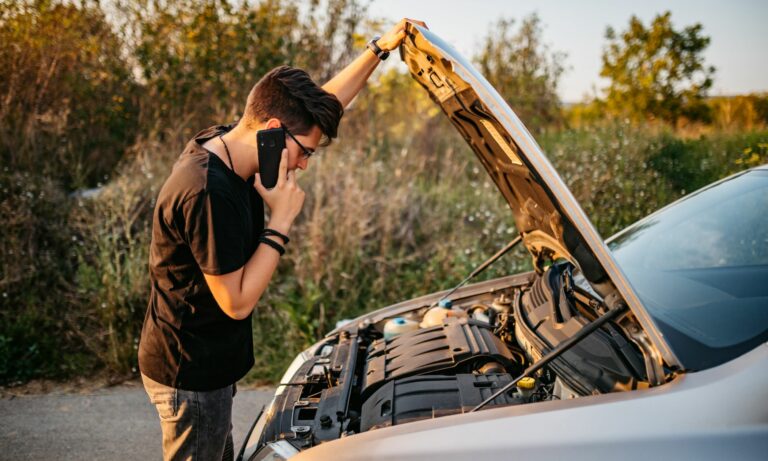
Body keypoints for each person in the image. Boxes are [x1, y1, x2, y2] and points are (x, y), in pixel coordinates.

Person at [137, 18, 426, 461]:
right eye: (305, 152)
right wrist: (281, 221)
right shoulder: (206, 191)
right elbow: (236, 301)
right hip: (190, 372)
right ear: (272, 129)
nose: (305, 165)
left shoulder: (230, 142)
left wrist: (378, 50)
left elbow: (323, 106)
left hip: (210, 360)